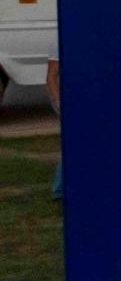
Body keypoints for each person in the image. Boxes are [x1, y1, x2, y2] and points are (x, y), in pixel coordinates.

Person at [46, 41, 60, 201]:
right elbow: (51, 76)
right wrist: (58, 102)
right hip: (64, 101)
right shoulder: (57, 43)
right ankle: (59, 189)